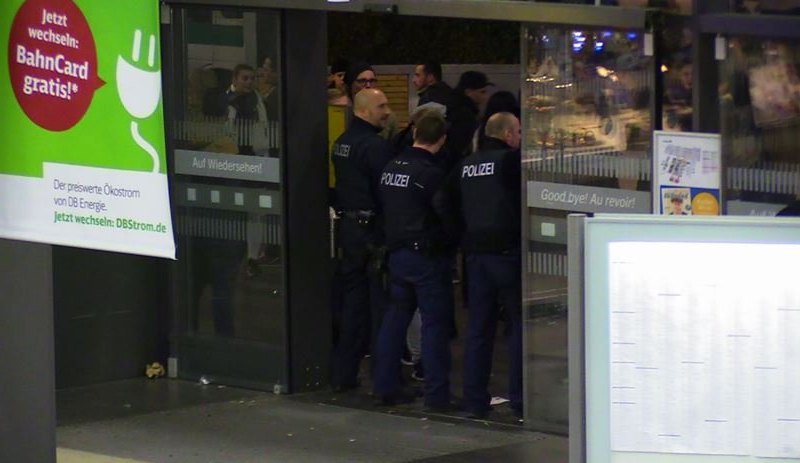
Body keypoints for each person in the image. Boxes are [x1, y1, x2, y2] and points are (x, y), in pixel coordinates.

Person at [373, 110, 460, 408]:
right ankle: (437, 394)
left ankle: (385, 385)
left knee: (395, 319)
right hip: (426, 256)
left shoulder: (391, 167)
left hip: (397, 253)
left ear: (414, 133)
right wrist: (452, 244)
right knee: (434, 324)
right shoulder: (431, 174)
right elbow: (445, 215)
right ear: (442, 139)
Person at [454, 112, 523, 419]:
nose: (520, 137)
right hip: (507, 254)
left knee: (479, 330)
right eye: (519, 132)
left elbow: (446, 202)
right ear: (507, 134)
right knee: (519, 327)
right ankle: (520, 399)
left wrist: (462, 236)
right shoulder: (510, 162)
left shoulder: (467, 164)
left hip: (476, 257)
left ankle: (473, 399)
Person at [330, 88, 395, 392]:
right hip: (371, 231)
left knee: (353, 306)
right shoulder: (374, 146)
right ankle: (385, 380)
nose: (388, 111)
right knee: (380, 307)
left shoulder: (342, 143)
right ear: (364, 110)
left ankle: (345, 373)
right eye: (382, 106)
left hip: (349, 228)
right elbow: (386, 193)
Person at [445, 70, 493, 170]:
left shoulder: (451, 106)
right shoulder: (464, 115)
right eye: (482, 92)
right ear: (468, 92)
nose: (486, 96)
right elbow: (461, 146)